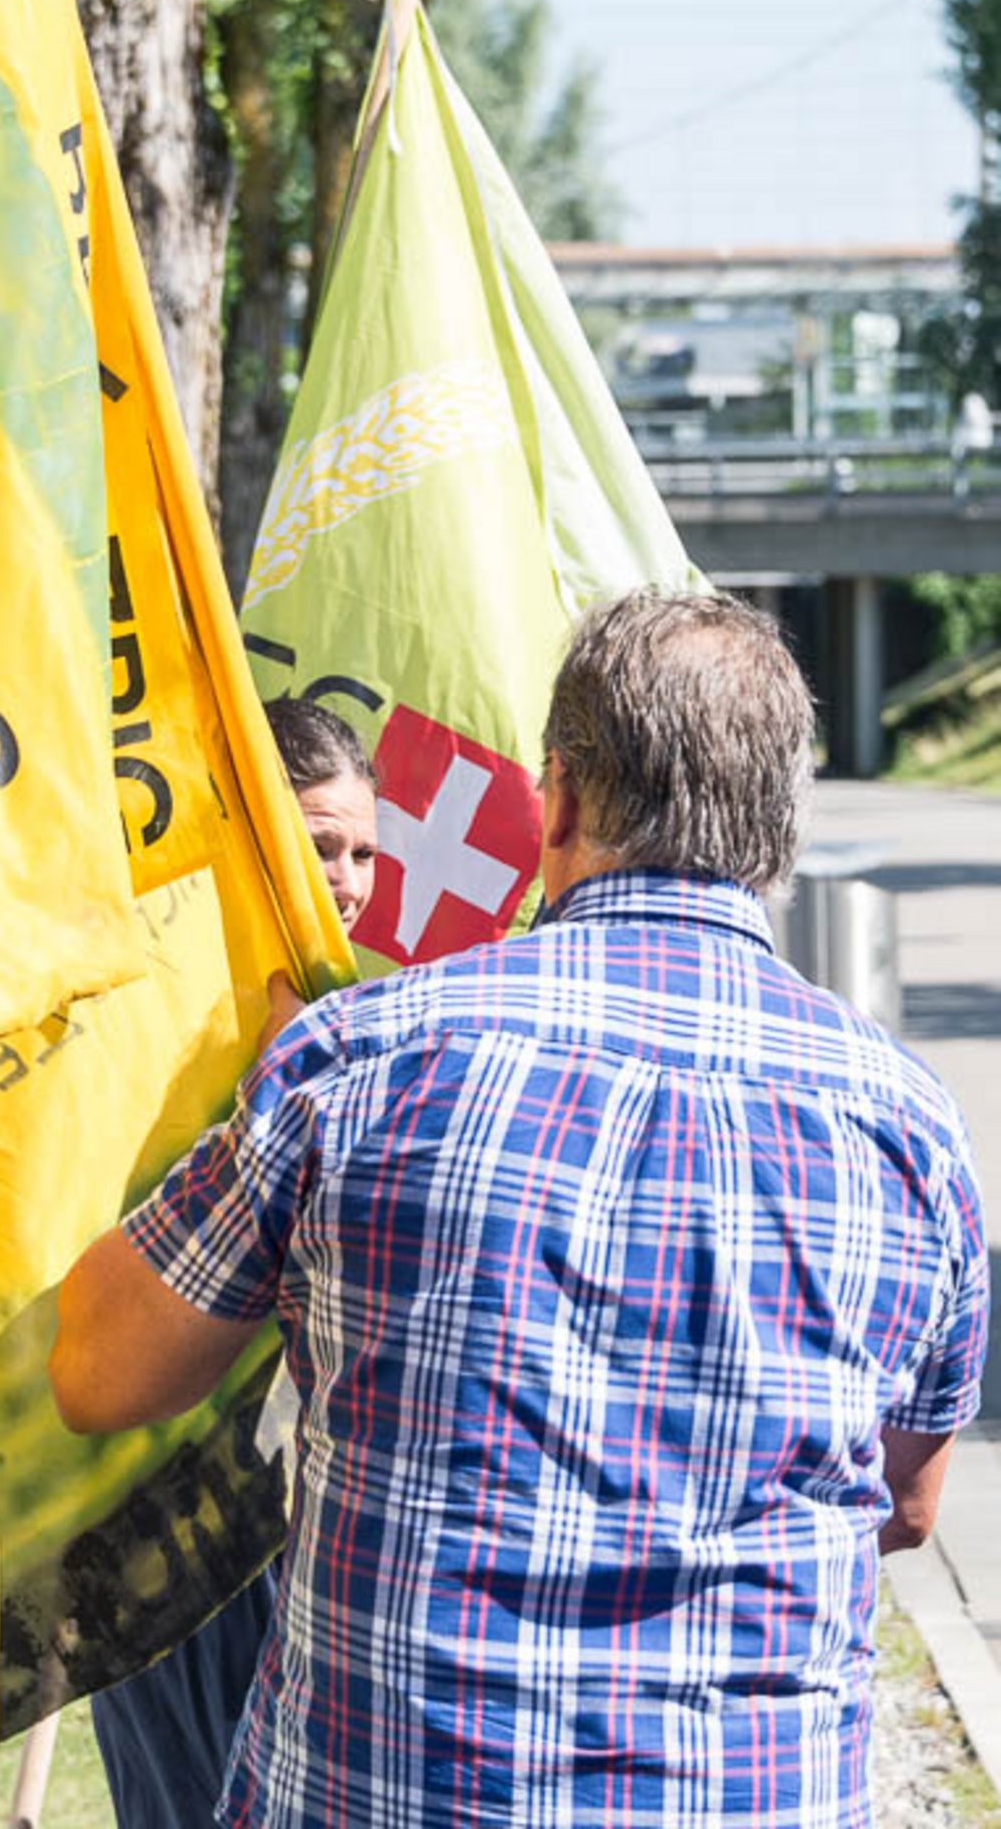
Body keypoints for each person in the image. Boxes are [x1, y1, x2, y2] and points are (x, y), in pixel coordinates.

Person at [54, 591, 989, 1829]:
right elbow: (906, 1503)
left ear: (551, 798)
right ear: (779, 834)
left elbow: (98, 1371)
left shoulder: (358, 1059)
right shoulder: (912, 1127)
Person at [88, 693, 378, 1829]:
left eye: (363, 850)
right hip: (155, 1503)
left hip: (303, 1508)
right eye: (319, 846)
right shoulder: (157, 1011)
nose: (348, 877)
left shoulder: (356, 1019)